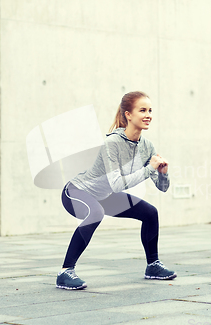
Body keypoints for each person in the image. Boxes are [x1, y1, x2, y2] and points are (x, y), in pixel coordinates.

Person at [56, 91, 176, 290]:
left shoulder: (147, 146)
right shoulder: (112, 143)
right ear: (128, 115)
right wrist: (148, 169)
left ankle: (153, 266)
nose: (148, 115)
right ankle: (65, 272)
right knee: (95, 213)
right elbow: (116, 184)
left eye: (150, 110)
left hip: (104, 196)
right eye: (142, 110)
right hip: (77, 191)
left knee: (150, 213)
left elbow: (162, 188)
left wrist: (163, 173)